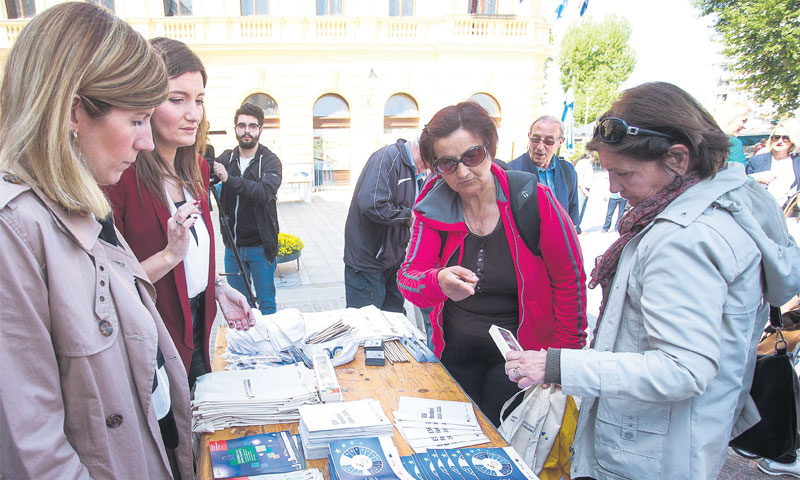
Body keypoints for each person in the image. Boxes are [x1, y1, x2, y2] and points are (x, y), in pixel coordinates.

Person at [503, 82, 800, 480]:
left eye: (623, 173)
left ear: (677, 159)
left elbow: (682, 369)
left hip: (649, 451)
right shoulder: (722, 208)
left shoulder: (682, 240)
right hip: (679, 438)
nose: (613, 188)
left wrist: (556, 364)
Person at [0, 4, 193, 477]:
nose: (146, 142)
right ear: (72, 111)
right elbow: (36, 450)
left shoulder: (79, 202)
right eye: (136, 120)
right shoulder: (15, 229)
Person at [397, 101, 587, 426]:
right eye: (447, 163)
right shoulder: (433, 207)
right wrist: (437, 281)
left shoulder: (535, 200)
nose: (462, 172)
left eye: (472, 156)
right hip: (456, 354)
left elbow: (570, 281)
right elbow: (408, 278)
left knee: (510, 443)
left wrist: (560, 363)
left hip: (522, 359)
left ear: (490, 148)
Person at [105, 37, 254, 388]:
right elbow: (110, 285)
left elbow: (196, 248)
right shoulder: (119, 177)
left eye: (199, 100)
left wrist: (217, 287)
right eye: (177, 99)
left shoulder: (197, 167)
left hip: (198, 325)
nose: (194, 114)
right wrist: (168, 256)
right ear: (144, 103)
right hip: (152, 338)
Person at [213, 103, 283, 315]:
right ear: (235, 128)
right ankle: (249, 336)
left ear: (260, 129)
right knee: (240, 305)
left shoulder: (269, 161)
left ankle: (268, 337)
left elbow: (263, 192)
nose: (247, 131)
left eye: (252, 126)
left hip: (260, 247)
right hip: (232, 249)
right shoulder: (227, 158)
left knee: (267, 304)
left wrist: (229, 179)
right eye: (242, 125)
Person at [343, 138, 426, 312]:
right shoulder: (388, 157)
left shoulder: (416, 171)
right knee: (366, 321)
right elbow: (372, 203)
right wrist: (407, 216)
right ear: (424, 149)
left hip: (393, 258)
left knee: (394, 317)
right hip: (369, 262)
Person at [509, 115, 580, 226]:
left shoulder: (568, 171)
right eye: (535, 139)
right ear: (529, 136)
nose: (540, 147)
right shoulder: (511, 171)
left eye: (549, 141)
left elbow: (572, 218)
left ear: (560, 142)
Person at [746, 118, 800, 207]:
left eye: (786, 138)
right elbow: (744, 185)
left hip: (786, 212)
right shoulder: (756, 161)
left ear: (793, 141)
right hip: (759, 210)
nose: (780, 141)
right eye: (776, 137)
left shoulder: (797, 162)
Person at [714, 99, 752, 166]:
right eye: (743, 121)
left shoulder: (705, 138)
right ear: (731, 118)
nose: (744, 126)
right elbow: (737, 170)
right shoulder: (732, 142)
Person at [574, 153, 595, 233]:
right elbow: (578, 177)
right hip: (581, 189)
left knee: (582, 210)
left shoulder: (588, 164)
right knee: (578, 210)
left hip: (586, 189)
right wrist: (583, 189)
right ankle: (574, 229)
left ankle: (578, 228)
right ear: (591, 156)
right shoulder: (582, 163)